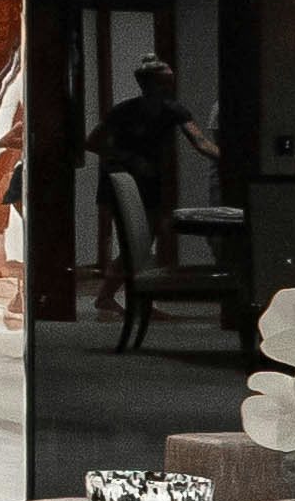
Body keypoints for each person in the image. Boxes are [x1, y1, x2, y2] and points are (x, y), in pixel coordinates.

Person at [88, 56, 217, 346]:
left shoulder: (173, 109)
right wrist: (129, 157)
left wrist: (227, 159)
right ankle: (113, 296)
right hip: (121, 178)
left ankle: (110, 296)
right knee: (134, 238)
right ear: (149, 83)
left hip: (151, 181)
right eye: (165, 80)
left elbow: (199, 141)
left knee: (145, 240)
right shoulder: (124, 111)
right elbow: (93, 141)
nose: (171, 84)